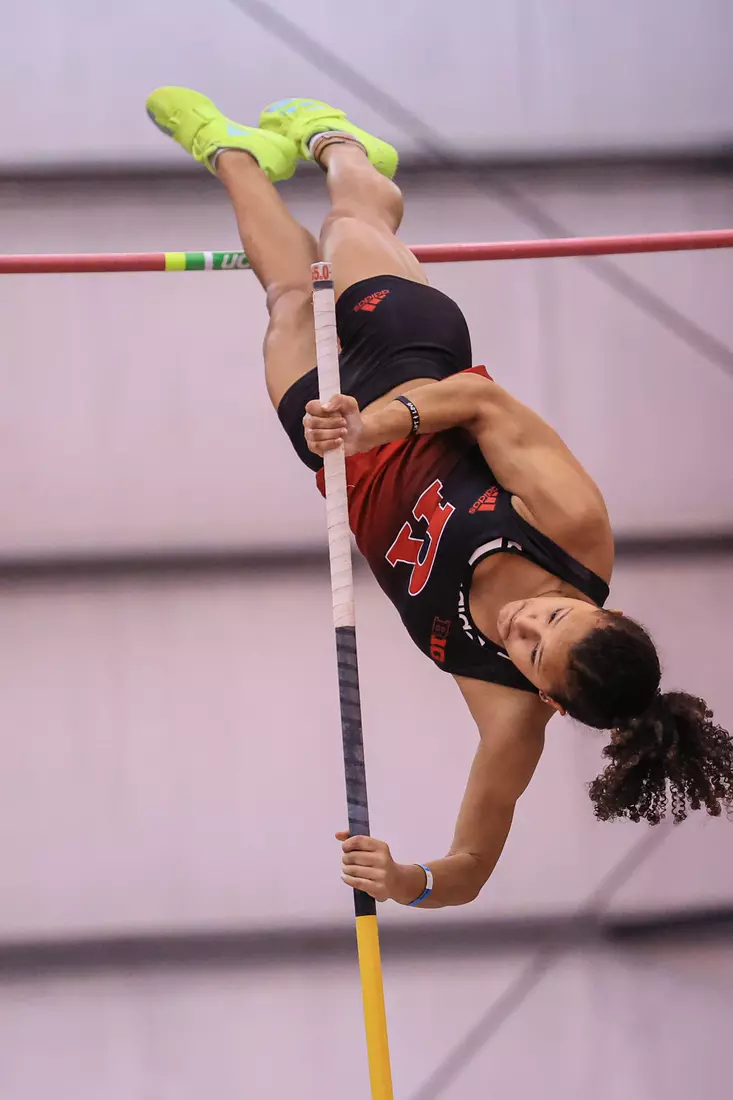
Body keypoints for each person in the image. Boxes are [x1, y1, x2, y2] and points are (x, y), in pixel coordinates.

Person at [146, 88, 733, 909]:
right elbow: (483, 403)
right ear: (603, 609)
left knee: (287, 299)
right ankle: (340, 143)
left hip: (338, 457)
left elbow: (471, 866)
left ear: (546, 699)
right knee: (350, 229)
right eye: (554, 616)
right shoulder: (572, 531)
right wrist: (372, 424)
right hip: (412, 371)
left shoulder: (508, 716)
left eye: (531, 650)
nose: (524, 623)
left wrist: (404, 881)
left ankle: (232, 150)